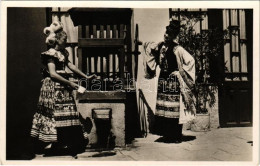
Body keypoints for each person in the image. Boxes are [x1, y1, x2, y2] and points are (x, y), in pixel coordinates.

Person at [30, 21, 96, 156]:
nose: (66, 42)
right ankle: (52, 144)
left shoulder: (63, 53)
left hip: (63, 86)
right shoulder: (50, 54)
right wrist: (70, 83)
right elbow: (53, 74)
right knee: (54, 115)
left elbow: (71, 66)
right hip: (53, 88)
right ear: (57, 40)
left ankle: (62, 143)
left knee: (65, 114)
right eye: (64, 40)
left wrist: (86, 77)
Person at [143, 19, 196, 143]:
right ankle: (167, 134)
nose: (166, 36)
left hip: (173, 81)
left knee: (174, 109)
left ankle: (176, 136)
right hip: (163, 80)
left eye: (169, 35)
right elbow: (149, 48)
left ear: (173, 36)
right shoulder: (160, 45)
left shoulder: (178, 49)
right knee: (164, 107)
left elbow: (191, 60)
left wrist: (180, 72)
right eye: (165, 33)